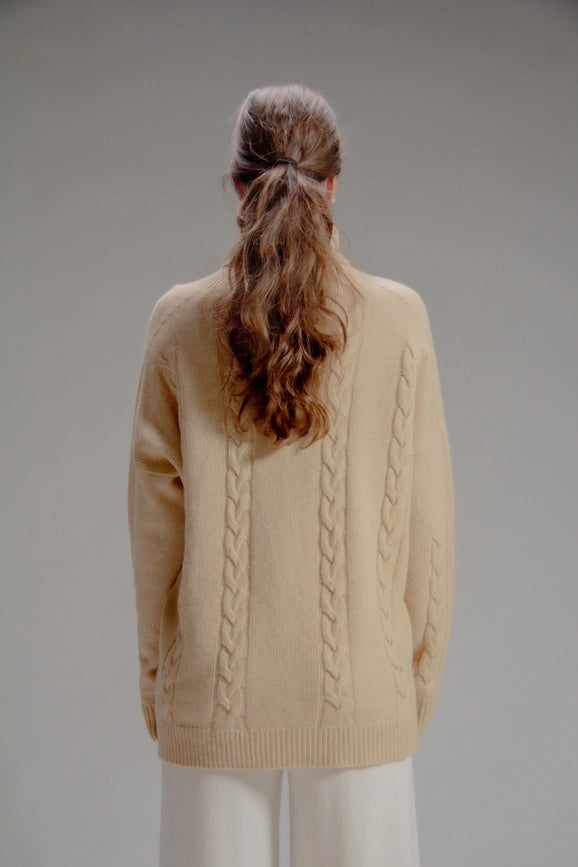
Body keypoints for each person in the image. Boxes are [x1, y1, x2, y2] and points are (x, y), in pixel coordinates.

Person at [127, 82, 455, 867]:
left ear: (239, 185)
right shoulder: (401, 320)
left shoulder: (178, 322)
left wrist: (163, 685)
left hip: (212, 692)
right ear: (333, 185)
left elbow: (153, 537)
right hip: (364, 692)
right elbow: (429, 527)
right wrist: (408, 690)